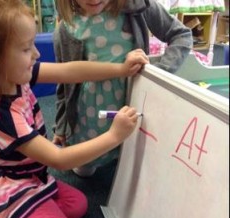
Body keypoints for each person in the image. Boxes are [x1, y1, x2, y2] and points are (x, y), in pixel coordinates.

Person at [0, 0, 147, 218]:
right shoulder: (1, 113)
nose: (36, 54)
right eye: (25, 48)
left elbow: (70, 71)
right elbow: (60, 160)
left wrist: (120, 69)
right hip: (9, 183)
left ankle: (19, 217)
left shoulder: (11, 75)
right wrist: (113, 136)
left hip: (30, 174)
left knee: (77, 205)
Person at [53, 0, 193, 177]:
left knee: (131, 161)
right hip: (88, 113)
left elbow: (182, 35)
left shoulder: (139, 6)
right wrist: (60, 125)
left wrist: (158, 74)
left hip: (131, 100)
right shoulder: (66, 28)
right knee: (85, 169)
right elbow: (64, 83)